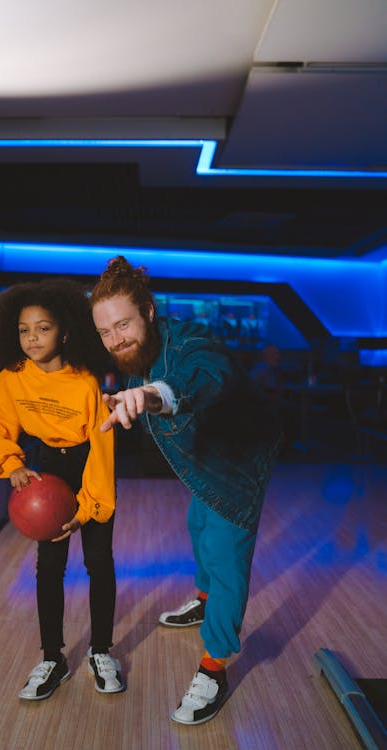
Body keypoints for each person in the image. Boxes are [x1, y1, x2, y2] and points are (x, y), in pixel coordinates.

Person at [90, 256, 282, 726]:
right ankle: (203, 598)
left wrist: (155, 395)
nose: (116, 339)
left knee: (224, 551)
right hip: (204, 463)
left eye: (124, 325)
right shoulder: (136, 356)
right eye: (106, 332)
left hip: (238, 464)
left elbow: (204, 375)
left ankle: (215, 666)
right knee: (198, 523)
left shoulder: (193, 344)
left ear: (150, 312)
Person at [0, 278, 125, 702]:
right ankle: (52, 658)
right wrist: (13, 466)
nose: (32, 338)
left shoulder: (86, 381)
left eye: (43, 328)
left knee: (98, 561)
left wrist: (89, 506)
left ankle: (101, 652)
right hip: (46, 468)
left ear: (64, 331)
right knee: (49, 566)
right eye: (24, 329)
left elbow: (102, 448)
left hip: (89, 464)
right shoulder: (12, 378)